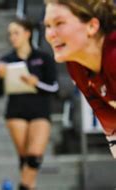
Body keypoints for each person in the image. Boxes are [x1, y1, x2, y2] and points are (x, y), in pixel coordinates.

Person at [44, 0, 116, 157]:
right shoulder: (76, 65)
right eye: (47, 26)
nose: (50, 34)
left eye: (59, 23)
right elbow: (112, 128)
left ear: (92, 26)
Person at [0, 19, 58, 190]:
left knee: (35, 157)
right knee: (24, 159)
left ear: (27, 33)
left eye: (16, 32)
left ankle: (22, 186)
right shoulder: (6, 60)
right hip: (16, 111)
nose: (12, 37)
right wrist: (0, 77)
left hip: (40, 111)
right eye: (10, 34)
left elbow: (54, 88)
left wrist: (35, 83)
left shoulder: (43, 57)